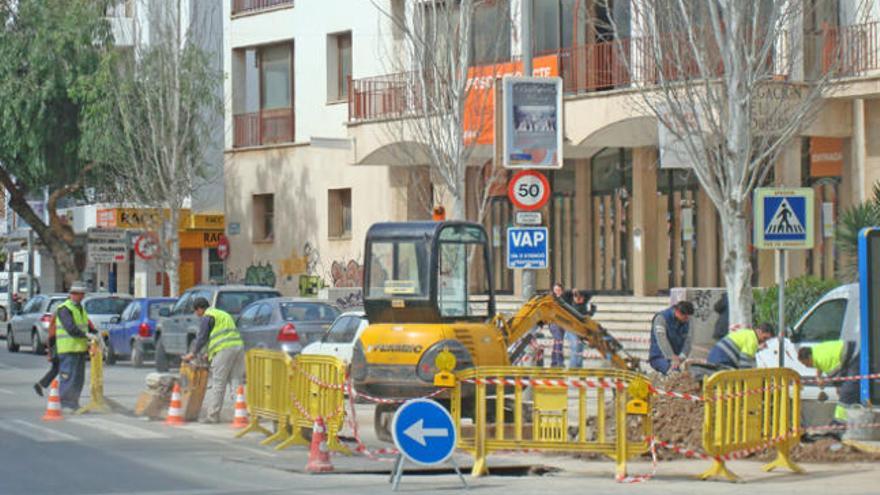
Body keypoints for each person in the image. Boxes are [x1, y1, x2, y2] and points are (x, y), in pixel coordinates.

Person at [182, 297, 245, 424]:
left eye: (196, 311)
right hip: (238, 348)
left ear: (200, 309)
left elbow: (202, 337)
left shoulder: (208, 316)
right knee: (236, 382)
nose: (196, 314)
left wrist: (192, 354)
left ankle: (212, 416)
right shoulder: (222, 314)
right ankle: (241, 414)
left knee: (218, 383)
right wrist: (208, 353)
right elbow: (220, 334)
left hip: (224, 349)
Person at [55, 282, 97, 410]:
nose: (82, 297)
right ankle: (66, 403)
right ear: (73, 294)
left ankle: (73, 403)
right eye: (80, 294)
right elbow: (71, 328)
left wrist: (95, 333)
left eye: (83, 294)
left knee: (78, 379)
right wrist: (87, 335)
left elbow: (86, 325)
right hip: (68, 349)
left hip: (79, 349)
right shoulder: (64, 309)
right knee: (69, 377)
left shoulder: (80, 309)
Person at [797, 340, 860, 423]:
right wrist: (818, 376)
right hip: (851, 351)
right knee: (849, 388)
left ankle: (840, 422)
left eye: (806, 363)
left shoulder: (823, 360)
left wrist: (837, 387)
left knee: (847, 391)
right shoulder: (816, 351)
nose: (807, 366)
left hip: (853, 356)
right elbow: (819, 365)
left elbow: (836, 376)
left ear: (809, 357)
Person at [648, 301, 695, 374]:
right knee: (674, 374)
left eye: (688, 317)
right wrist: (672, 357)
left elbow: (688, 342)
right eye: (685, 317)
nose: (687, 320)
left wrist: (681, 358)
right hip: (659, 356)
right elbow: (662, 340)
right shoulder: (661, 318)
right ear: (677, 312)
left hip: (676, 359)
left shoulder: (688, 321)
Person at [707, 323, 774, 370]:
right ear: (759, 331)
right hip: (723, 361)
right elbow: (745, 365)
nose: (764, 341)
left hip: (714, 357)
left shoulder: (747, 333)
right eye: (765, 338)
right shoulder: (753, 340)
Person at [33, 307, 59, 397]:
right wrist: (50, 352)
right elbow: (51, 337)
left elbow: (50, 337)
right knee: (61, 369)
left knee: (56, 369)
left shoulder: (55, 319)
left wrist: (49, 352)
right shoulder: (57, 321)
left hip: (56, 345)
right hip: (58, 346)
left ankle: (40, 384)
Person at [566, 289, 589, 369]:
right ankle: (573, 367)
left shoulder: (584, 306)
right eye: (576, 297)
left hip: (581, 330)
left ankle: (579, 366)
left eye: (580, 297)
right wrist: (572, 291)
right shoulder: (572, 306)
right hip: (572, 330)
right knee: (575, 346)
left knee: (580, 348)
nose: (578, 298)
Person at [549, 282, 566, 367]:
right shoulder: (552, 300)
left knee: (557, 342)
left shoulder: (563, 300)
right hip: (555, 324)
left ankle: (555, 361)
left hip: (562, 324)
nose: (556, 292)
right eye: (555, 290)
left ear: (561, 291)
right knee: (558, 342)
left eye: (558, 290)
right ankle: (558, 361)